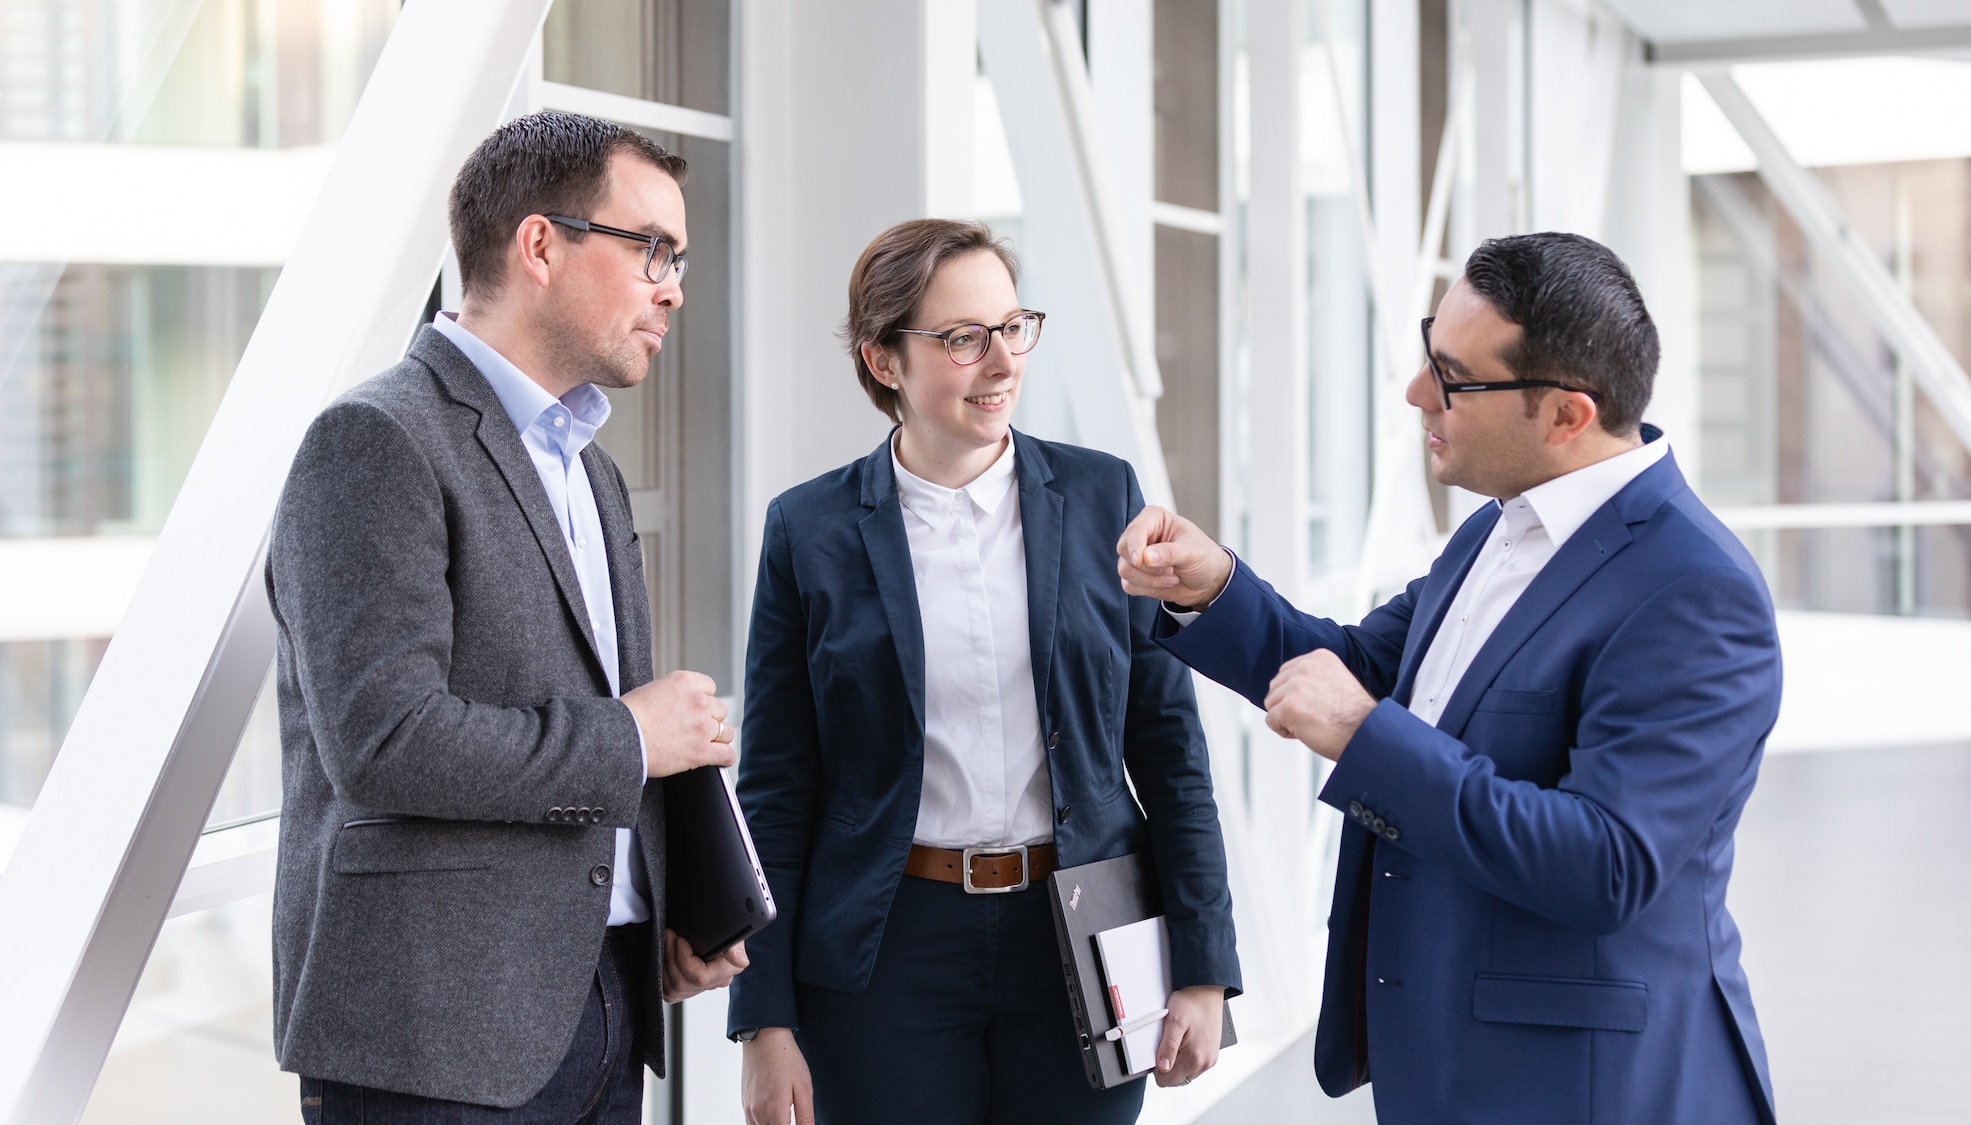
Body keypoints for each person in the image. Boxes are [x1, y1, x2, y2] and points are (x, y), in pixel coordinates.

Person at [1118, 232, 1781, 1124]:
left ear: (1567, 416)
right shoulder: (1497, 530)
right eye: (1431, 353)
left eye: (1454, 377)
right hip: (1447, 1060)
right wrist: (1213, 590)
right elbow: (1353, 671)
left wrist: (1364, 739)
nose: (1416, 393)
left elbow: (1607, 863)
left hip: (1585, 1087)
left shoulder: (1696, 591)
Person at [266, 110, 745, 1123]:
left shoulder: (593, 472)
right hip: (434, 1040)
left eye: (680, 258)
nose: (674, 285)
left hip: (603, 997)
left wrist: (664, 897)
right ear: (539, 243)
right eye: (652, 249)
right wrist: (631, 735)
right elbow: (386, 739)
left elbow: (600, 732)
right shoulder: (374, 441)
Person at [728, 218, 1241, 1125]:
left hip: (1082, 927)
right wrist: (763, 1020)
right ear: (883, 360)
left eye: (1013, 328)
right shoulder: (807, 531)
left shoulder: (1102, 498)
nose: (1002, 362)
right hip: (888, 950)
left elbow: (1169, 749)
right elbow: (775, 788)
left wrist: (1204, 966)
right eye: (964, 339)